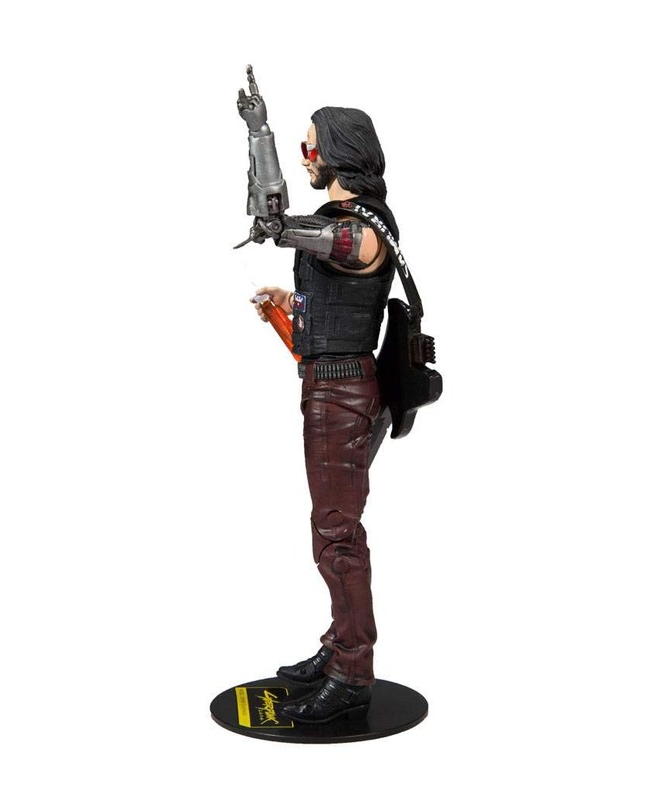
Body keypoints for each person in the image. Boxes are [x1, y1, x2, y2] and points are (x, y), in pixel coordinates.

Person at [239, 97, 401, 724]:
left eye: (312, 146)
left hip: (342, 397)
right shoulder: (348, 225)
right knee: (332, 531)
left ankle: (352, 673)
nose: (307, 157)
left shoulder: (363, 227)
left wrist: (261, 136)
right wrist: (293, 304)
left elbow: (308, 233)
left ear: (338, 151)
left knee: (337, 536)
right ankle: (339, 646)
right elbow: (332, 297)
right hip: (332, 390)